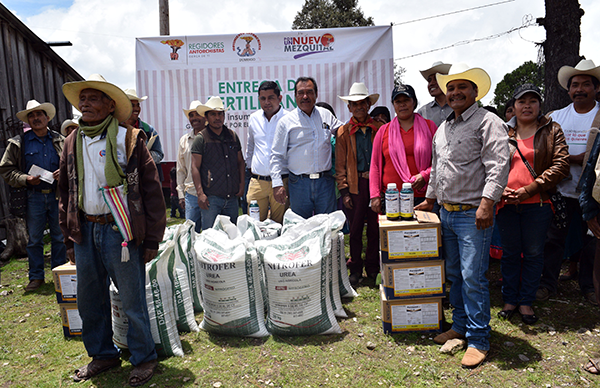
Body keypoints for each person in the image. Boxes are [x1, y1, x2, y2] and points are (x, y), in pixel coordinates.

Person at [58, 74, 165, 386]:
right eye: (83, 99)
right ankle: (103, 354)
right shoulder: (71, 141)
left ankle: (144, 358)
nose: (84, 104)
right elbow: (65, 193)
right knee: (89, 301)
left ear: (109, 105)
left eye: (93, 98)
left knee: (132, 300)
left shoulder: (128, 139)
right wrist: (68, 236)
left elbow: (151, 191)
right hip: (86, 231)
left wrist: (153, 239)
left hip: (120, 232)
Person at [415, 63, 510, 368]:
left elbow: (498, 165)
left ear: (475, 91)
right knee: (454, 274)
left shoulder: (488, 122)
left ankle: (480, 339)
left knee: (473, 277)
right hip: (446, 213)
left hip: (473, 214)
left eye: (462, 88)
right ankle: (460, 326)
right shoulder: (444, 127)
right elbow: (438, 169)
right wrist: (430, 199)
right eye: (451, 88)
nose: (455, 93)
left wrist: (487, 203)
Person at [496, 84, 569, 325]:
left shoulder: (551, 130)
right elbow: (490, 163)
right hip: (506, 203)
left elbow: (561, 165)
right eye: (521, 102)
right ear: (513, 107)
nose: (527, 106)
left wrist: (530, 189)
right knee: (509, 254)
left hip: (537, 204)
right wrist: (499, 189)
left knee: (534, 253)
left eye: (532, 101)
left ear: (540, 105)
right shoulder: (502, 132)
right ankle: (509, 300)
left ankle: (526, 301)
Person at [537, 59, 600, 304]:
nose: (579, 89)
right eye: (575, 85)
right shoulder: (555, 117)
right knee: (553, 238)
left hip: (593, 193)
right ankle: (547, 284)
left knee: (592, 240)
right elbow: (542, 151)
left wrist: (574, 160)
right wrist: (573, 160)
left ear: (597, 88)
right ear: (568, 89)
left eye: (586, 84)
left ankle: (590, 286)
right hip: (560, 190)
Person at [0, 99, 66, 291]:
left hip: (57, 196)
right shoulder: (18, 143)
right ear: (28, 120)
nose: (36, 118)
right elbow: (5, 169)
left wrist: (63, 173)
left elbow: (73, 165)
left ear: (47, 117)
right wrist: (25, 179)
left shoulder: (60, 140)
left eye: (39, 114)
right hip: (33, 196)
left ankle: (58, 274)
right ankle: (36, 277)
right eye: (32, 115)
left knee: (59, 237)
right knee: (35, 239)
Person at [270, 76, 344, 219]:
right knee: (300, 228)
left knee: (327, 226)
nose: (305, 96)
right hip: (299, 184)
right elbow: (276, 155)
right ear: (295, 96)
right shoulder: (286, 122)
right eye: (301, 92)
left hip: (325, 183)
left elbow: (343, 130)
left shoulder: (325, 115)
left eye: (309, 92)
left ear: (316, 94)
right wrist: (277, 184)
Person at [335, 83, 382, 286]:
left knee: (374, 229)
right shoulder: (343, 132)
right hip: (354, 187)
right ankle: (355, 268)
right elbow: (340, 166)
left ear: (369, 104)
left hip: (374, 185)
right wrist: (344, 191)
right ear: (349, 107)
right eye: (354, 104)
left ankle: (372, 268)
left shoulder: (380, 129)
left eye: (362, 103)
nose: (359, 107)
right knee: (354, 230)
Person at [370, 84, 437, 213]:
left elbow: (440, 160)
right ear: (393, 105)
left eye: (406, 100)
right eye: (398, 101)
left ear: (414, 102)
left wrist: (425, 175)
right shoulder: (384, 131)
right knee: (395, 233)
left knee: (423, 233)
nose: (402, 105)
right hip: (392, 197)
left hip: (424, 198)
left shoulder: (430, 127)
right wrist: (375, 196)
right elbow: (375, 166)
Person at [191, 96, 245, 230]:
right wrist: (200, 194)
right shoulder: (201, 138)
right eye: (213, 114)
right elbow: (194, 167)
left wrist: (242, 185)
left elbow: (241, 162)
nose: (217, 117)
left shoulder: (232, 136)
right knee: (210, 237)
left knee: (232, 237)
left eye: (220, 114)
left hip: (231, 198)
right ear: (206, 117)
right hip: (211, 199)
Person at [246, 81, 289, 224]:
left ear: (280, 98)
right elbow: (251, 145)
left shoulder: (289, 119)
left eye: (271, 97)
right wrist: (249, 169)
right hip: (258, 182)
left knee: (279, 225)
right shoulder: (254, 118)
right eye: (262, 98)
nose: (266, 102)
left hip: (282, 181)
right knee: (254, 225)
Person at [123, 88, 165, 180]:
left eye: (138, 105)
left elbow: (159, 154)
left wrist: (144, 156)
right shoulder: (116, 130)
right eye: (132, 105)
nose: (136, 109)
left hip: (146, 179)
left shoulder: (149, 130)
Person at [177, 100, 205, 232]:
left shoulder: (211, 137)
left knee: (210, 234)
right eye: (191, 115)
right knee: (190, 234)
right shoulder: (184, 140)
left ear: (204, 117)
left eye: (197, 114)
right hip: (191, 194)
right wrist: (180, 194)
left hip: (210, 194)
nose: (194, 118)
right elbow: (181, 169)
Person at [417, 61, 452, 127]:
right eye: (429, 80)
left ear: (446, 81)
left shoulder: (458, 106)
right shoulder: (422, 112)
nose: (431, 83)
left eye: (436, 78)